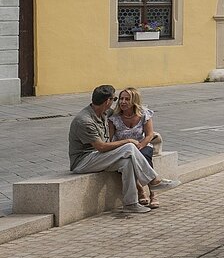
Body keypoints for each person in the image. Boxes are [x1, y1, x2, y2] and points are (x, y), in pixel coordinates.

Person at [68, 84, 178, 215]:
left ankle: (131, 204)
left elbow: (133, 110)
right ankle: (153, 181)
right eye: (115, 99)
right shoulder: (84, 120)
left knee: (127, 163)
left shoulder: (104, 112)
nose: (117, 103)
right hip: (83, 161)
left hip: (97, 156)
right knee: (129, 147)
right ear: (107, 101)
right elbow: (101, 147)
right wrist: (128, 140)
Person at [108, 87, 160, 208]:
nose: (123, 102)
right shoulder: (114, 118)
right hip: (123, 148)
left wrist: (141, 145)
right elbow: (110, 139)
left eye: (127, 99)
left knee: (145, 156)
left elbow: (149, 135)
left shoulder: (143, 114)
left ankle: (153, 193)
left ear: (134, 101)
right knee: (128, 161)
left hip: (142, 145)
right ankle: (141, 190)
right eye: (121, 99)